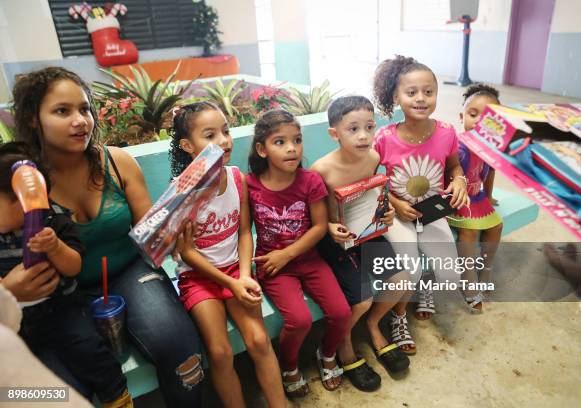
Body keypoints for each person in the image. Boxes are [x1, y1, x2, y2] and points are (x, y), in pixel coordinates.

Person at [12, 67, 205, 407]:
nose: (80, 121)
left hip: (130, 270)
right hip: (61, 297)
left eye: (84, 109)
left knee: (181, 349)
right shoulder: (21, 184)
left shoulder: (117, 163)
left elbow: (151, 230)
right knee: (56, 390)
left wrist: (176, 229)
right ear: (32, 120)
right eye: (62, 111)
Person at [169, 102, 287, 408]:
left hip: (237, 269)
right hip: (199, 277)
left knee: (259, 341)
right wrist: (230, 283)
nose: (224, 140)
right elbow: (185, 253)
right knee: (219, 353)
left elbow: (245, 232)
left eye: (226, 130)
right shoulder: (181, 192)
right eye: (210, 135)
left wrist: (244, 276)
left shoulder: (236, 178)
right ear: (187, 145)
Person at [0, 142, 132, 407]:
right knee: (35, 384)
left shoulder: (54, 221)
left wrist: (55, 246)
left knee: (93, 351)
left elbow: (74, 266)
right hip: (18, 323)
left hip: (64, 309)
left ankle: (118, 396)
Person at [247, 109, 352, 397]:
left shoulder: (310, 181)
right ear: (262, 149)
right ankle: (289, 365)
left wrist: (287, 254)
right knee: (300, 320)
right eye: (279, 142)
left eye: (297, 140)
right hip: (273, 266)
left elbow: (319, 228)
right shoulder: (251, 184)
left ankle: (327, 353)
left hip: (308, 259)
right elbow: (245, 230)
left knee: (342, 313)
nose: (292, 148)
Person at [311, 95, 411, 390]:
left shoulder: (373, 159)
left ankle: (373, 325)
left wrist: (386, 211)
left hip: (367, 231)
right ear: (334, 134)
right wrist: (329, 226)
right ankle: (344, 347)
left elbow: (372, 197)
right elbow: (312, 215)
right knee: (361, 300)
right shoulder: (321, 170)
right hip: (335, 240)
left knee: (402, 279)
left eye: (369, 126)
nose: (364, 135)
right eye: (353, 129)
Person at [371, 55, 475, 337]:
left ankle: (427, 287)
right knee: (411, 272)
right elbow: (369, 180)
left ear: (437, 95)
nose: (421, 99)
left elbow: (454, 165)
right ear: (396, 96)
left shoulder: (446, 132)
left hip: (432, 212)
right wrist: (395, 203)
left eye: (428, 92)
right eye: (411, 92)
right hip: (398, 216)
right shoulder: (384, 137)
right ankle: (399, 315)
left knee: (451, 276)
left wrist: (460, 182)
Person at [449, 83, 504, 304]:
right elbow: (449, 176)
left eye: (488, 119)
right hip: (458, 199)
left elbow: (489, 173)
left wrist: (488, 197)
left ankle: (486, 270)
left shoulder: (489, 148)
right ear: (462, 116)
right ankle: (468, 277)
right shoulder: (459, 147)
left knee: (496, 226)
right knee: (469, 232)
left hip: (477, 197)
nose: (479, 122)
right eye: (473, 115)